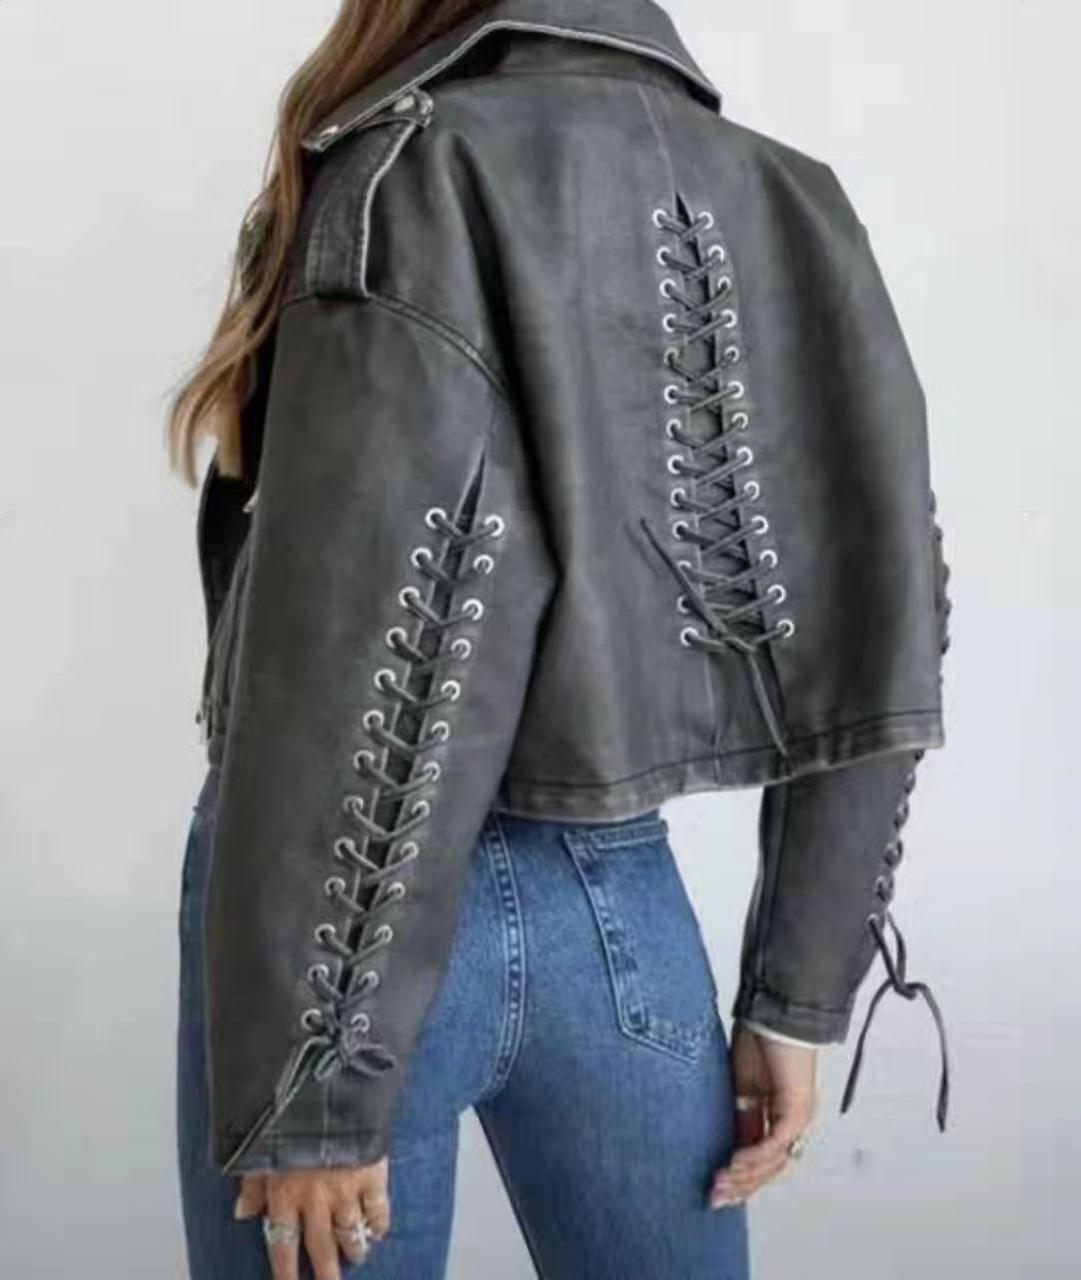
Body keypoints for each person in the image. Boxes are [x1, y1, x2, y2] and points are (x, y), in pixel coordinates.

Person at [168, 1, 953, 1277]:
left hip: (342, 931)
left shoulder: (409, 169)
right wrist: (797, 988)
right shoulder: (788, 193)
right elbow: (887, 610)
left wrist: (316, 1073)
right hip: (620, 909)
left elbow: (352, 624)